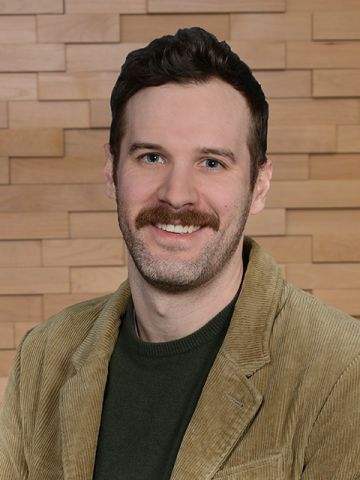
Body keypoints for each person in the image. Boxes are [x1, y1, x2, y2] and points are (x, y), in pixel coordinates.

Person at [1, 27, 360, 480]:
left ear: (260, 186)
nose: (176, 195)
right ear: (112, 172)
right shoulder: (44, 355)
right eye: (152, 157)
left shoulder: (343, 369)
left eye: (212, 162)